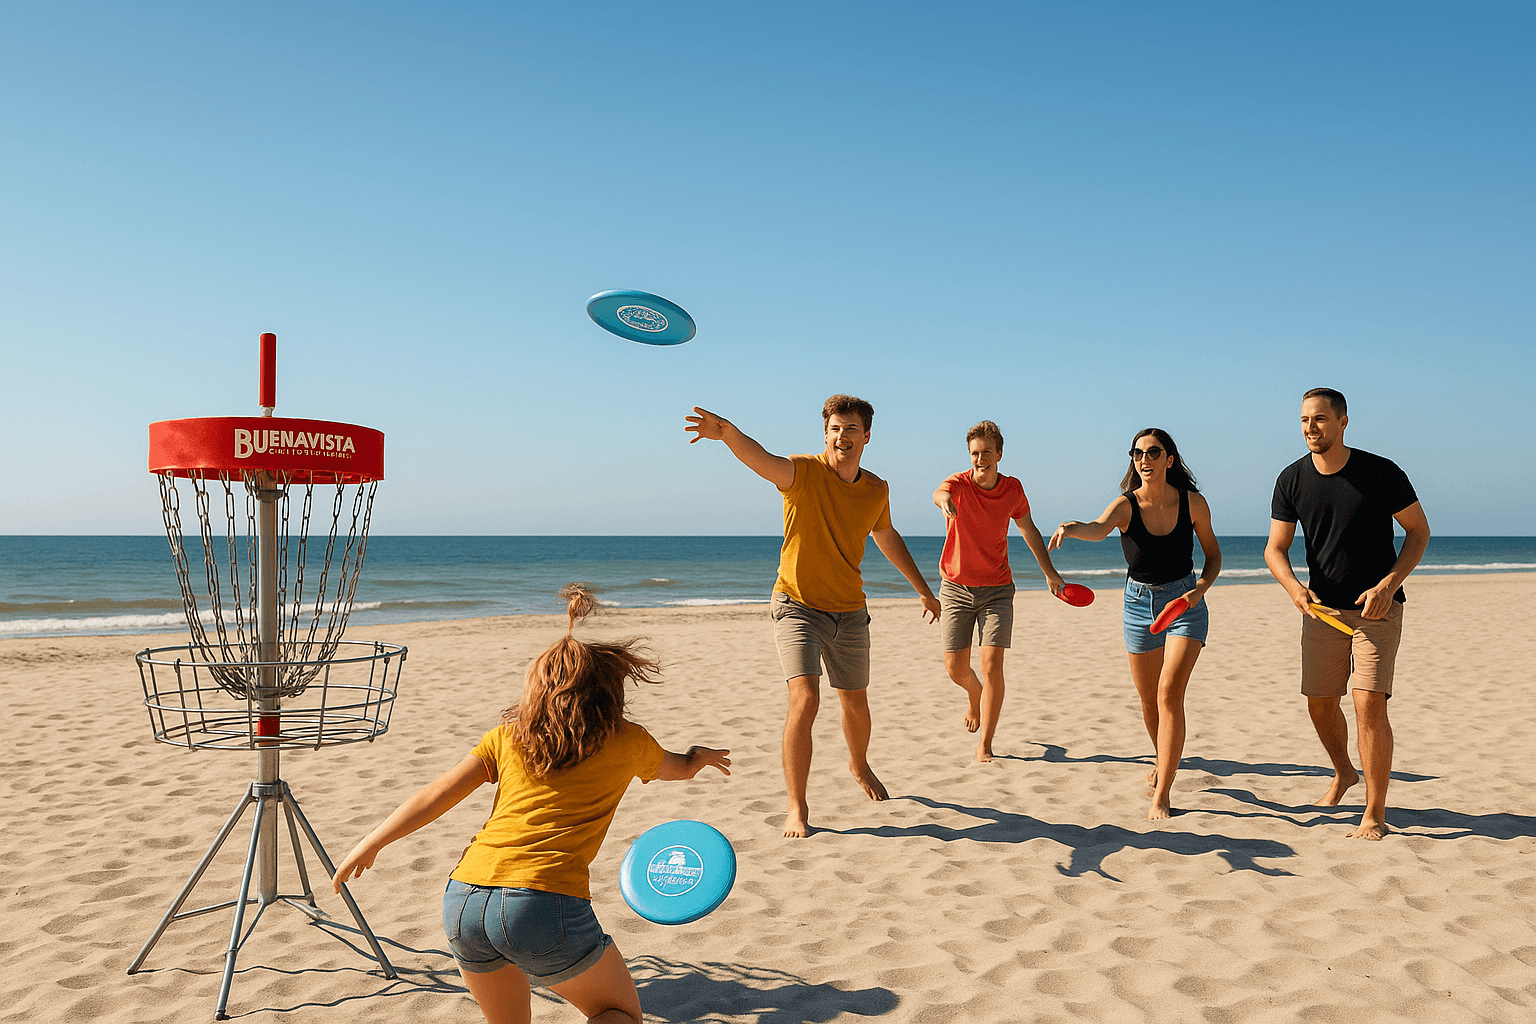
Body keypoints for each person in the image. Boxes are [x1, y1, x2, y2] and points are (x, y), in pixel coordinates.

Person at [331, 584, 731, 1024]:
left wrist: (372, 842)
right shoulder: (628, 741)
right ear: (607, 691)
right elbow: (679, 768)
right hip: (541, 901)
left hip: (463, 899)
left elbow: (436, 794)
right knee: (616, 1013)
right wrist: (698, 756)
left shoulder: (508, 736)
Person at [685, 395, 940, 838]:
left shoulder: (876, 489)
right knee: (805, 699)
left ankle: (858, 765)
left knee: (855, 703)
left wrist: (922, 589)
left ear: (866, 437)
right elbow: (761, 460)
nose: (843, 436)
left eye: (851, 429)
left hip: (849, 611)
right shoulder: (802, 472)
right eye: (835, 428)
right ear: (826, 433)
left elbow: (886, 534)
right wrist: (727, 433)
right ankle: (796, 807)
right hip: (796, 605)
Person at [1264, 388, 1429, 841]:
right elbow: (1274, 549)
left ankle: (1374, 814)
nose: (1310, 428)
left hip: (1377, 610)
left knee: (1368, 704)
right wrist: (1295, 589)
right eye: (1303, 421)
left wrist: (1387, 585)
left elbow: (1418, 533)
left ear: (1342, 422)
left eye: (1319, 419)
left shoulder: (1380, 472)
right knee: (1320, 704)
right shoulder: (1291, 479)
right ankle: (1344, 772)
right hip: (1322, 613)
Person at [1049, 428, 1222, 820]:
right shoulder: (1126, 506)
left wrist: (1199, 590)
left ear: (1169, 460)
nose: (1144, 460)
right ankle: (1163, 757)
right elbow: (1098, 528)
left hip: (1184, 605)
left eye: (1153, 452)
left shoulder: (1194, 504)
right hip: (1138, 604)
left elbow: (1213, 556)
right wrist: (1071, 527)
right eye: (1137, 453)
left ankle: (1163, 793)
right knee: (1148, 700)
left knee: (1168, 693)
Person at [932, 420, 1066, 762]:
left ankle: (985, 745)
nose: (980, 459)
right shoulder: (958, 485)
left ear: (999, 454)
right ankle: (973, 694)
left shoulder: (1012, 489)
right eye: (975, 453)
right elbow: (940, 492)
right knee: (955, 669)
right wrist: (944, 501)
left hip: (997, 590)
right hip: (956, 588)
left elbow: (1029, 530)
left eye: (986, 453)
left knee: (992, 664)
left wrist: (1049, 573)